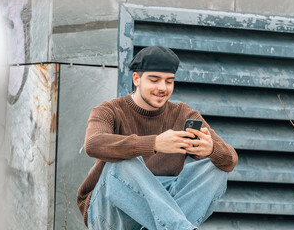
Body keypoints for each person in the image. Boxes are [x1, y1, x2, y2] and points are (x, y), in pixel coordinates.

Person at [77, 46, 238, 230]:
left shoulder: (184, 114)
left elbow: (231, 160)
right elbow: (93, 144)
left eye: (169, 81)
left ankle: (172, 226)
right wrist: (155, 143)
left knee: (216, 167)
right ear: (136, 79)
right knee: (122, 161)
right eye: (155, 80)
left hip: (162, 211)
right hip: (109, 211)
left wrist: (211, 150)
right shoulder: (109, 111)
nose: (162, 88)